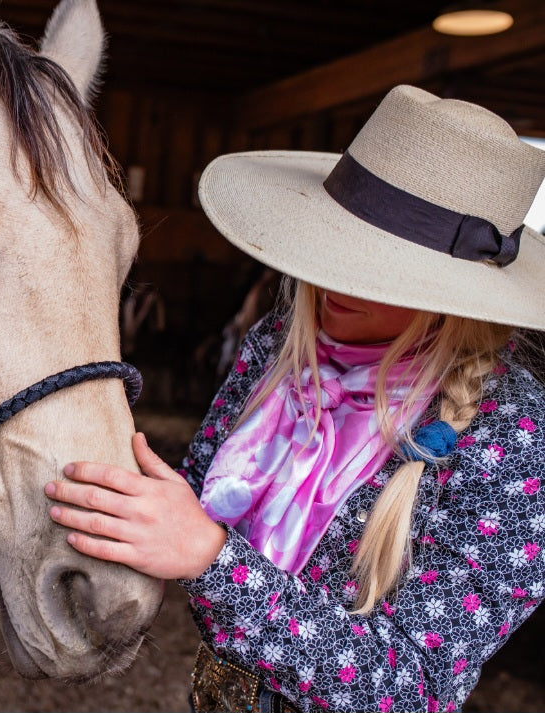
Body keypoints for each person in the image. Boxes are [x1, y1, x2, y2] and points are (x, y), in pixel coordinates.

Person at [44, 84, 545, 713]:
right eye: (335, 243)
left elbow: (415, 688)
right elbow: (201, 494)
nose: (331, 277)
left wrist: (211, 562)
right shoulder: (283, 338)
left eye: (376, 264)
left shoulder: (514, 435)